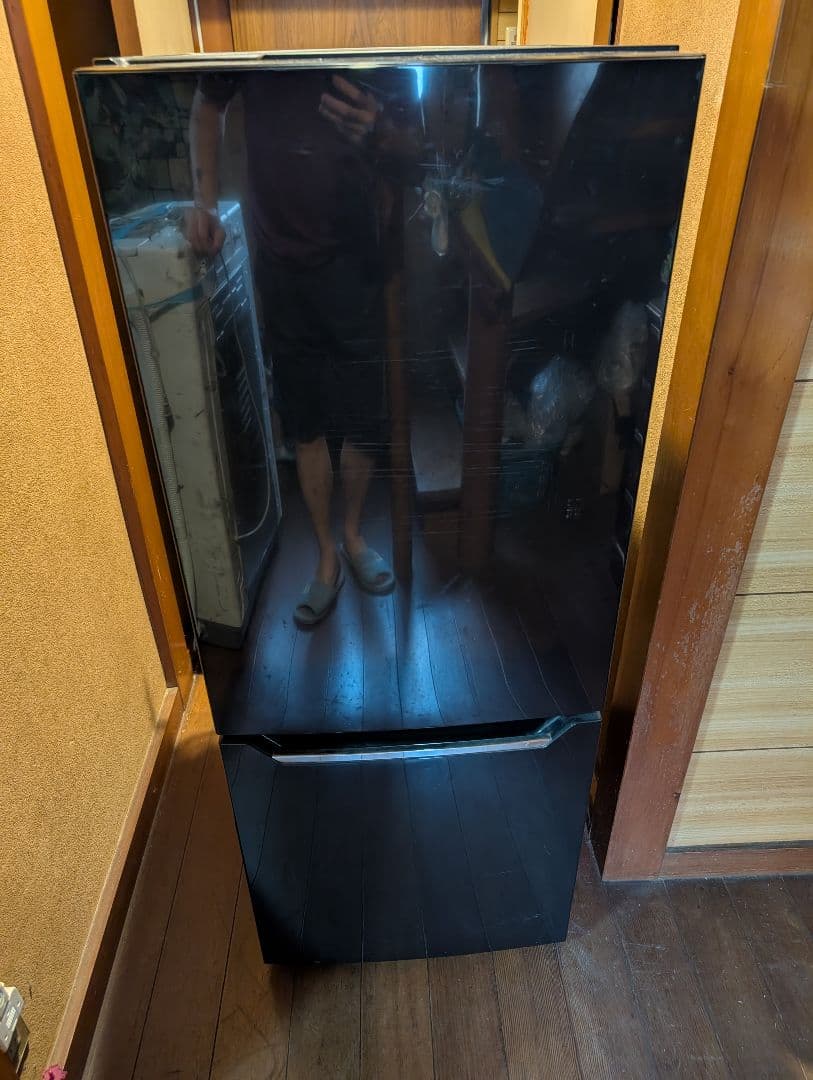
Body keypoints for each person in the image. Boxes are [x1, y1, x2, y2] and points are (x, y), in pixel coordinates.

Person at [187, 71, 414, 626]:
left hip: (357, 259)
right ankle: (327, 555)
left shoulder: (374, 36)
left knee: (363, 417)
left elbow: (414, 137)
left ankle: (354, 536)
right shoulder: (249, 39)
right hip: (282, 262)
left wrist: (381, 129)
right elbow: (207, 104)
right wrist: (204, 202)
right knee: (304, 421)